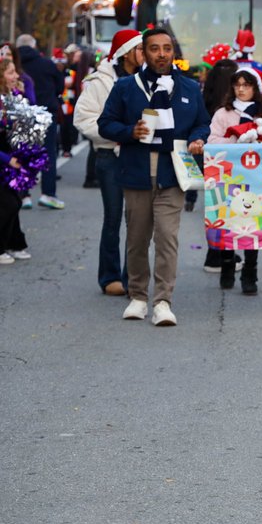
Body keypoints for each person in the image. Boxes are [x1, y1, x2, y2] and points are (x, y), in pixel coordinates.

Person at [97, 28, 210, 326]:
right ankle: (137, 296)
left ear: (173, 52)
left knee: (167, 239)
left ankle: (162, 301)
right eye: (155, 48)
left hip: (172, 173)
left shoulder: (188, 88)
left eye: (167, 48)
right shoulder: (125, 87)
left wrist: (198, 139)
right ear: (144, 53)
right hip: (135, 170)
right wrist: (128, 132)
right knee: (136, 239)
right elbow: (105, 123)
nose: (161, 54)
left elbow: (202, 124)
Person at [74, 29, 145, 296]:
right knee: (114, 218)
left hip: (139, 155)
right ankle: (109, 276)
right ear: (127, 51)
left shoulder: (147, 79)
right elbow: (83, 119)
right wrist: (117, 134)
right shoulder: (99, 80)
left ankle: (134, 277)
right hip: (109, 156)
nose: (145, 53)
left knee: (138, 220)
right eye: (140, 48)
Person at [207, 66, 262, 295]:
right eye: (237, 84)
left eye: (246, 84)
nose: (241, 89)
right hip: (229, 176)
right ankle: (227, 264)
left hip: (257, 179)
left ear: (255, 88)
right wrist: (236, 141)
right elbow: (212, 140)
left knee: (253, 225)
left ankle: (251, 271)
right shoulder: (223, 114)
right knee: (229, 222)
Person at [15, 34, 65, 209]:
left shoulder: (15, 66)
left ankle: (24, 194)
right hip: (46, 114)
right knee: (48, 153)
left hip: (21, 116)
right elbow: (60, 86)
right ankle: (48, 194)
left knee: (23, 153)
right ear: (34, 46)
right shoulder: (47, 64)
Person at [199, 58, 238, 256]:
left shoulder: (210, 99)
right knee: (235, 211)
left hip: (214, 163)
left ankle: (215, 256)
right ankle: (229, 258)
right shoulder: (234, 108)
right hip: (240, 166)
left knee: (217, 209)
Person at [0, 56, 33, 263]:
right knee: (8, 203)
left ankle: (12, 243)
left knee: (14, 200)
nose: (16, 76)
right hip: (4, 158)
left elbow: (33, 106)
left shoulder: (12, 96)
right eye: (11, 72)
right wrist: (6, 160)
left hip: (11, 156)